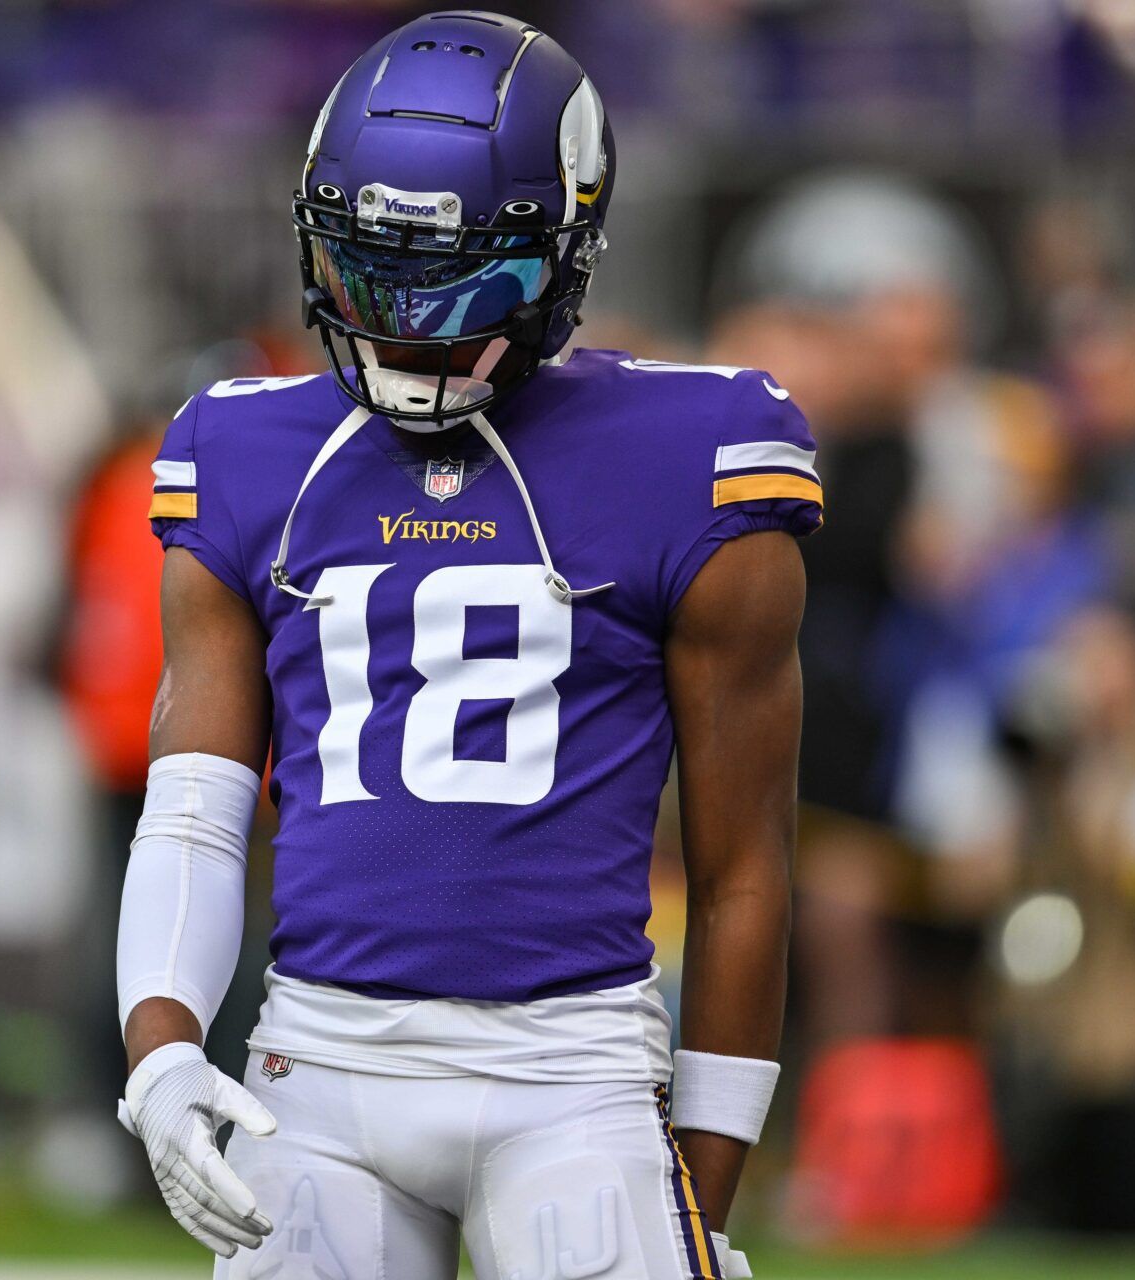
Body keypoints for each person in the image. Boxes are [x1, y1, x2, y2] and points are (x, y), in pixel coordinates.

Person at [113, 13, 821, 1278]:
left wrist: (706, 1182)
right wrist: (162, 1050)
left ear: (568, 253)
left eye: (462, 280)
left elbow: (743, 865)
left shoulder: (691, 458)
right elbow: (194, 812)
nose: (400, 322)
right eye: (366, 267)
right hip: (314, 1066)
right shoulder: (244, 450)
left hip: (574, 1070)